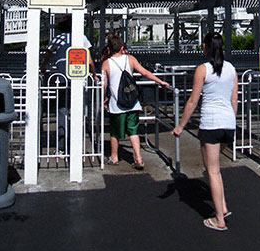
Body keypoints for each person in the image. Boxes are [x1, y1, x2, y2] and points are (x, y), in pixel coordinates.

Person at [172, 32, 238, 232]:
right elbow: (234, 100)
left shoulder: (203, 70)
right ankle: (223, 206)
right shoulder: (231, 69)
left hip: (211, 123)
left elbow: (193, 101)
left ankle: (219, 219)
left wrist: (181, 125)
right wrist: (232, 120)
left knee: (213, 171)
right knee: (216, 170)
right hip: (228, 123)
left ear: (206, 47)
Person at [102, 33, 169, 169]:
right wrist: (160, 81)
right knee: (133, 131)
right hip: (132, 101)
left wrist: (104, 99)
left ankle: (114, 157)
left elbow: (104, 85)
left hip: (116, 104)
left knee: (115, 132)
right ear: (122, 47)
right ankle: (138, 158)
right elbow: (145, 72)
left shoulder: (106, 64)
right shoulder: (130, 59)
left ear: (109, 48)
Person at [40, 16, 97, 152]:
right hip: (79, 78)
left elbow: (47, 55)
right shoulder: (81, 38)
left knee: (62, 112)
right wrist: (94, 74)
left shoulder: (57, 39)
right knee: (80, 112)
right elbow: (89, 60)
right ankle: (78, 145)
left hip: (62, 79)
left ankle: (61, 147)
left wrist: (43, 68)